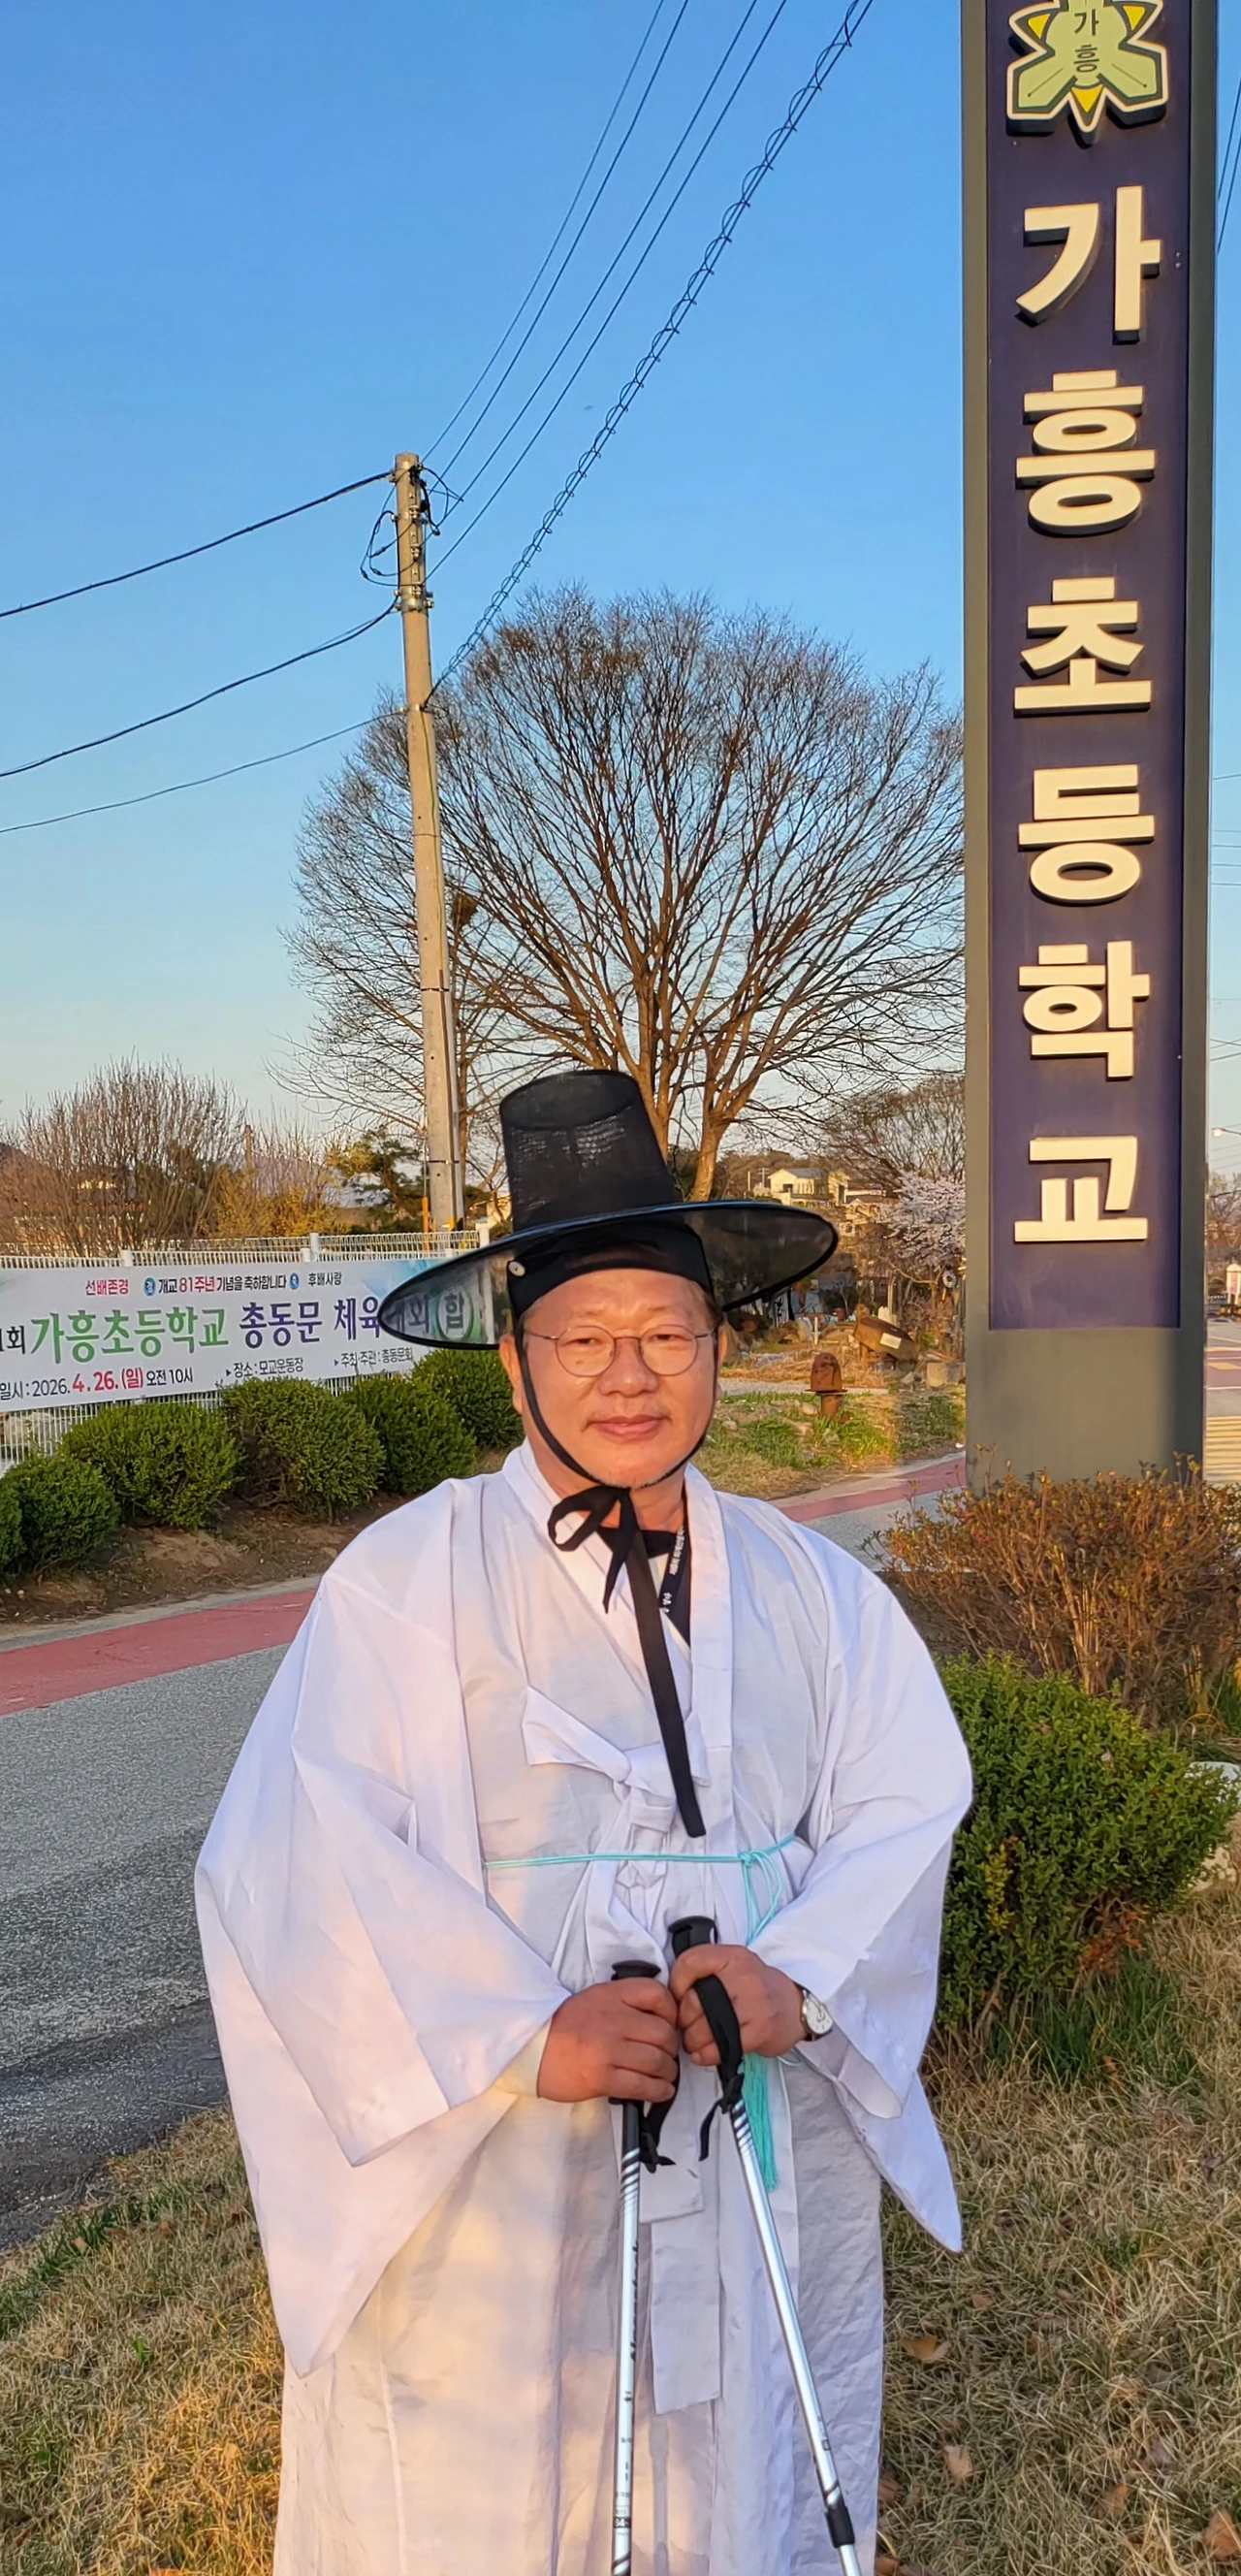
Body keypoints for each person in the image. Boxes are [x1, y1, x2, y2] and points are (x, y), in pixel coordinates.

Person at [197, 1071, 971, 2576]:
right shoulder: (405, 1583)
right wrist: (515, 2035)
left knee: (746, 2471)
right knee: (498, 2494)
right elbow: (298, 1863)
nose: (632, 1375)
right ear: (514, 1359)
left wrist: (802, 1976)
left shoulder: (816, 1593)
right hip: (501, 2169)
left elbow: (904, 1800)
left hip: (747, 2119)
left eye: (667, 1334)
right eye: (584, 1339)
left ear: (720, 1343)